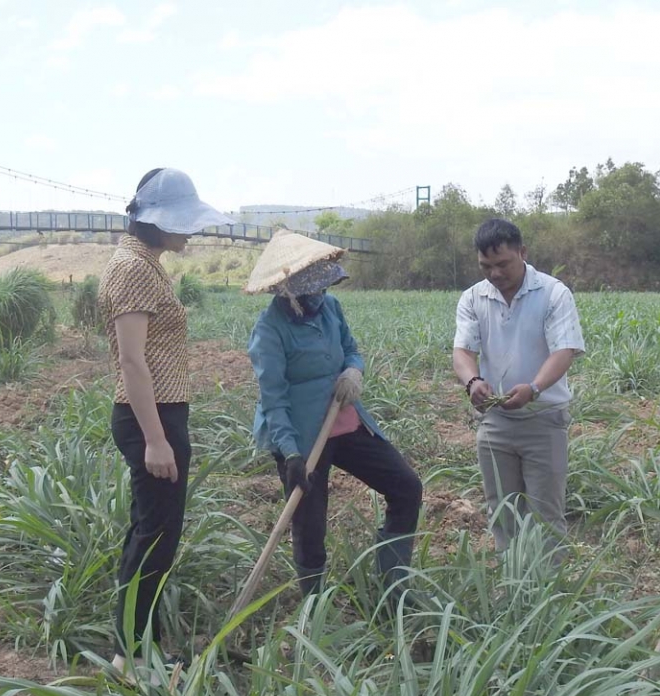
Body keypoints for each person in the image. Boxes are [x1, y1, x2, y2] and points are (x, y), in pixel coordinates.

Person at [99, 168, 235, 674]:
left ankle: (141, 648)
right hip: (149, 418)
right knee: (154, 538)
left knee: (154, 534)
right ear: (155, 222)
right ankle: (131, 658)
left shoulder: (143, 262)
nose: (189, 231)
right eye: (182, 221)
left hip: (159, 413)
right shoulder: (133, 268)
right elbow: (131, 361)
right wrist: (157, 440)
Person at [245, 231, 423, 603]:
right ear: (289, 291)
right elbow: (274, 400)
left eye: (323, 288)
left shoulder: (331, 309)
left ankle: (394, 587)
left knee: (406, 486)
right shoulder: (269, 332)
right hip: (300, 435)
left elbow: (351, 351)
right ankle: (315, 607)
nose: (320, 296)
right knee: (309, 527)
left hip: (344, 422)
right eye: (312, 291)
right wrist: (292, 455)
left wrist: (353, 371)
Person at [452, 218, 585, 555]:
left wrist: (534, 388)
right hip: (496, 420)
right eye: (486, 266)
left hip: (544, 418)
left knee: (545, 515)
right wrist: (472, 381)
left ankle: (548, 595)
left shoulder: (553, 293)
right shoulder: (473, 297)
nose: (495, 274)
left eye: (502, 264)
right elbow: (463, 351)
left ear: (522, 253)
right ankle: (510, 589)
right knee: (502, 511)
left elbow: (564, 350)